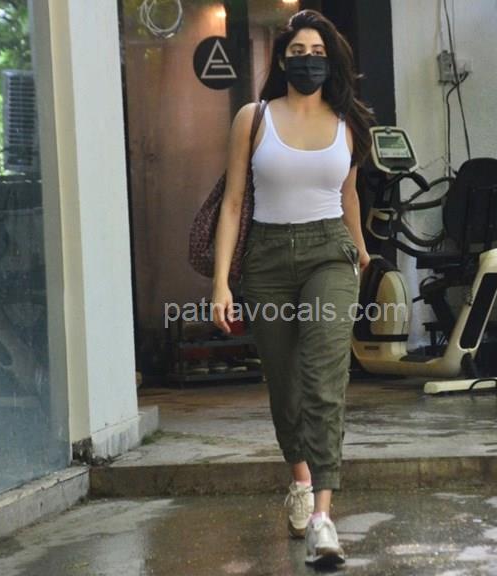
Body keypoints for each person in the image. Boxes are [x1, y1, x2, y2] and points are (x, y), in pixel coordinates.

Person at [210, 9, 373, 569]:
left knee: (325, 379)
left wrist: (361, 249)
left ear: (332, 60)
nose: (308, 61)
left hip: (330, 254)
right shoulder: (253, 118)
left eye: (317, 53)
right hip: (268, 260)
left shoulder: (348, 122)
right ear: (282, 60)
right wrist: (221, 282)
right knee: (285, 384)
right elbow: (233, 203)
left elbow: (348, 195)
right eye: (298, 53)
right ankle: (300, 478)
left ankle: (323, 517)